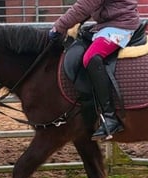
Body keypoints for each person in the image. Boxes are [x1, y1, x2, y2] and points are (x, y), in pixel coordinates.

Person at [49, 0, 140, 141]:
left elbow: (85, 5)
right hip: (108, 24)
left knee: (91, 57)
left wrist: (59, 26)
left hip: (119, 26)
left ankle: (110, 118)